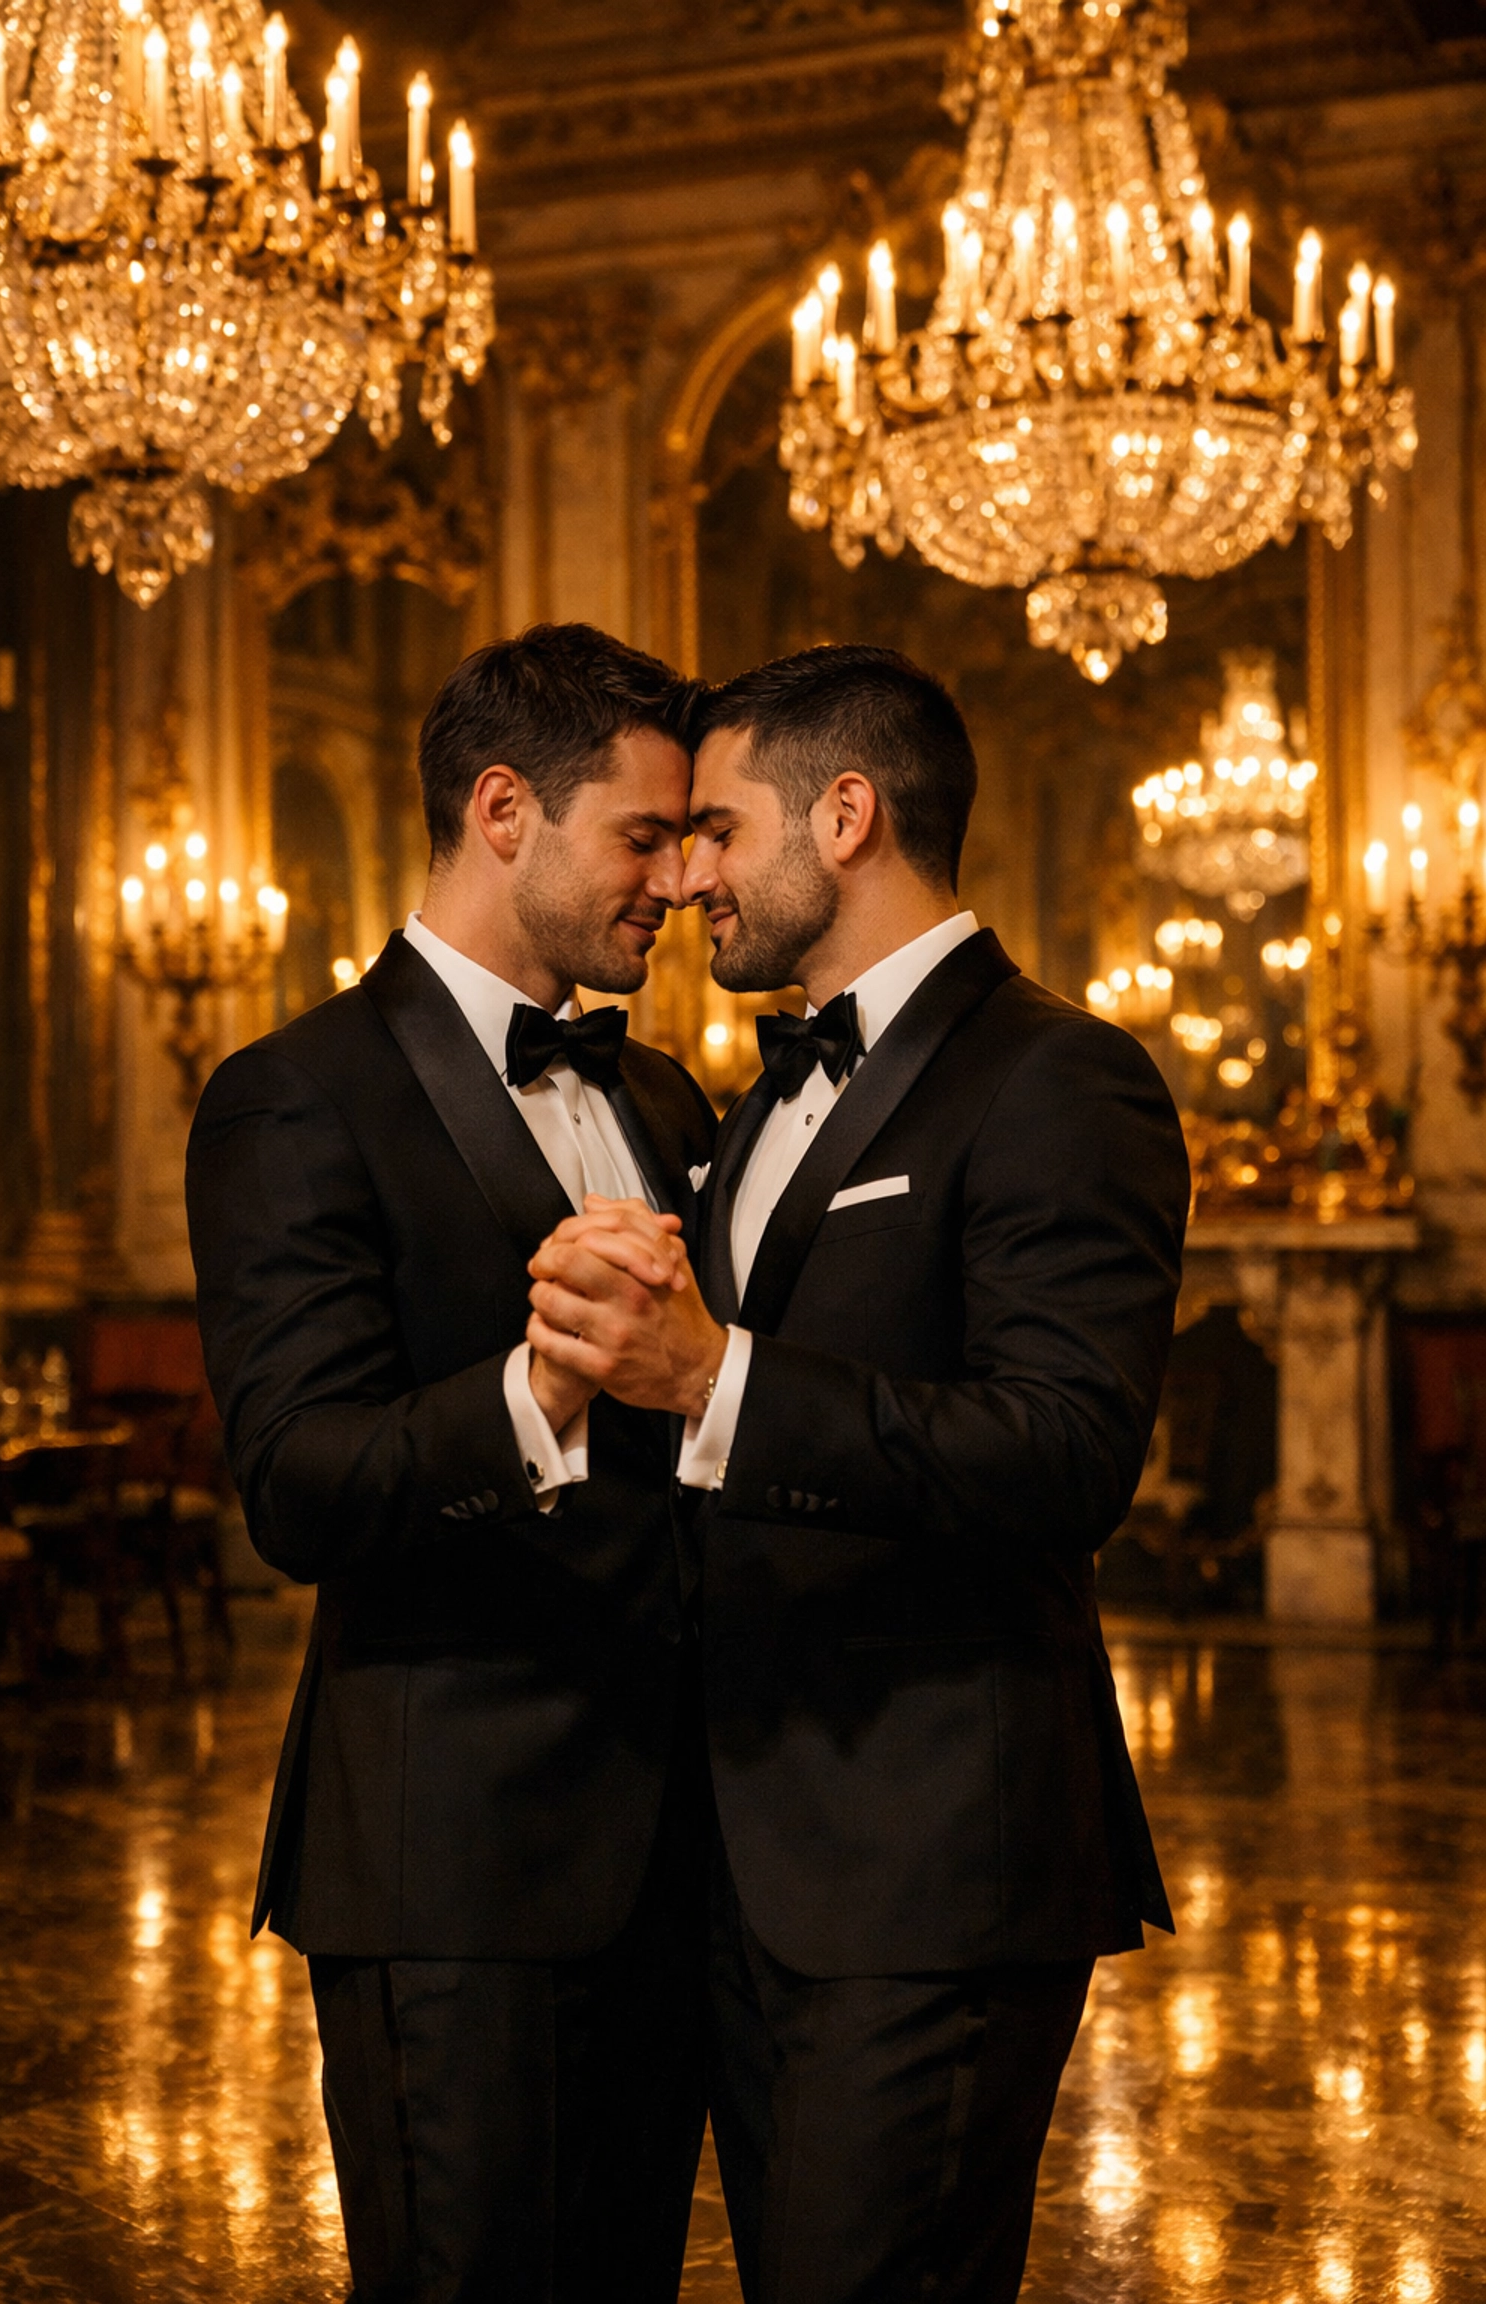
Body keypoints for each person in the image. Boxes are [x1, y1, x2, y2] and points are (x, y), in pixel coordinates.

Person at [526, 643, 1191, 2304]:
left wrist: (718, 1376)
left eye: (720, 831)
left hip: (934, 1866)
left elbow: (1067, 1452)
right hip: (736, 1872)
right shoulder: (760, 1100)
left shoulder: (1058, 1075)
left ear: (847, 813)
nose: (686, 880)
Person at [185, 623, 717, 2304]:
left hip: (688, 1855)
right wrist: (539, 1391)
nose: (679, 882)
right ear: (504, 810)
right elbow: (300, 1485)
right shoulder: (294, 1098)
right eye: (643, 835)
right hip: (451, 1857)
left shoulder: (670, 1095)